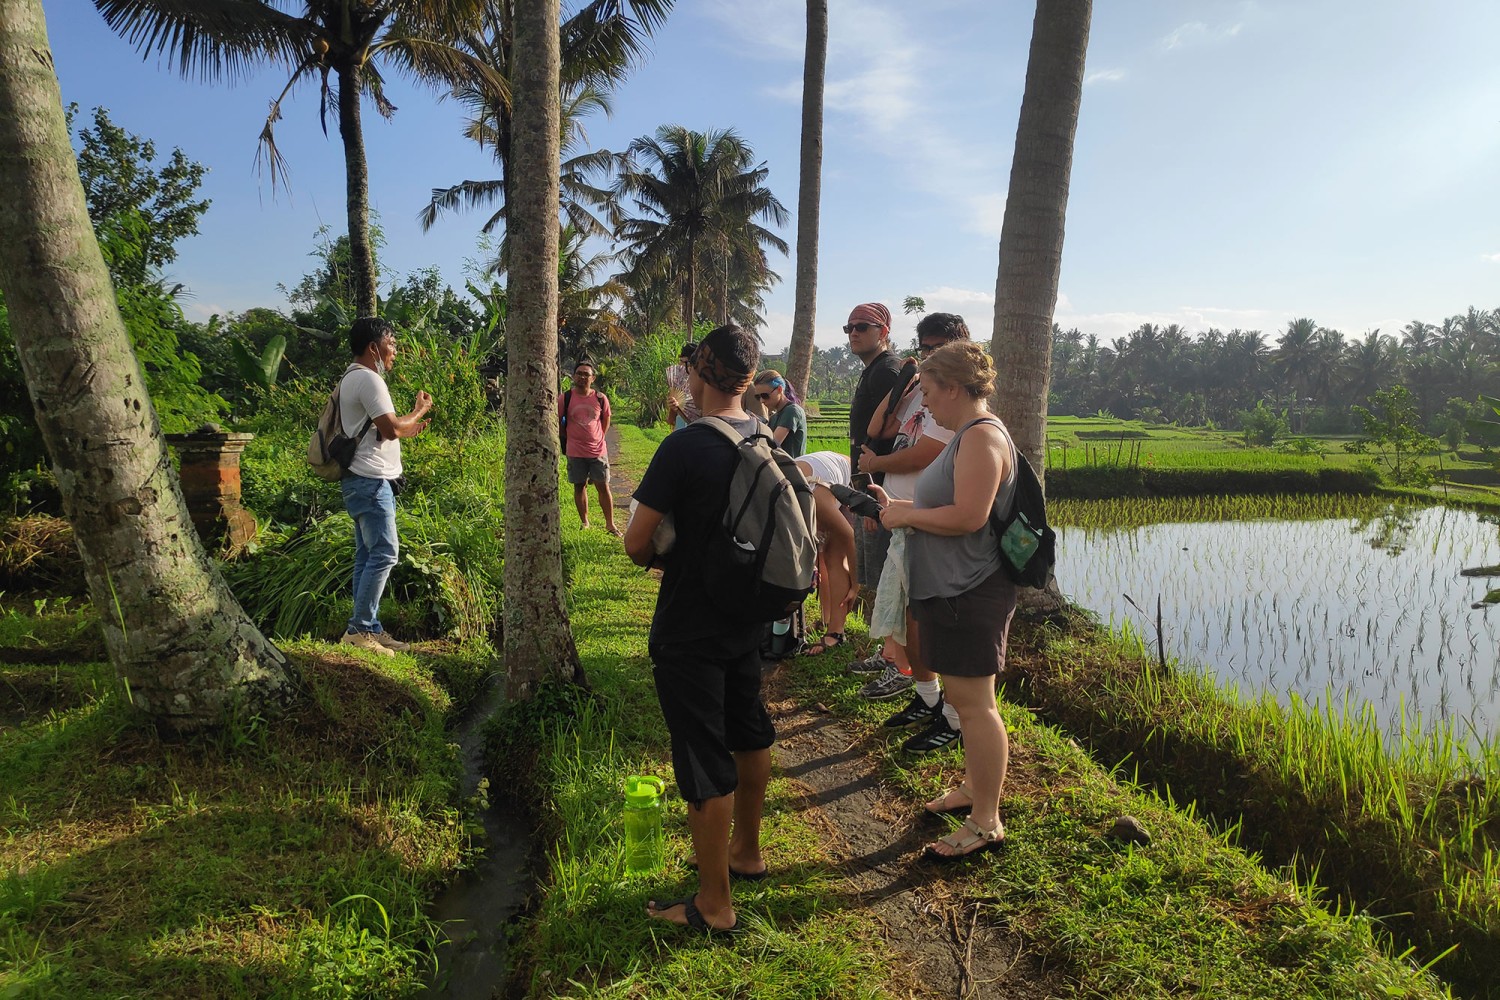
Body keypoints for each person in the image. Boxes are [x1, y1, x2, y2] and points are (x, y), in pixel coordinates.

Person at [624, 324, 774, 934]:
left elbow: (637, 544)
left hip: (690, 624)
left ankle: (714, 904)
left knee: (703, 755)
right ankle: (748, 852)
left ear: (698, 373)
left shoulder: (685, 447)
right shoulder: (763, 434)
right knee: (749, 728)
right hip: (749, 616)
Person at [872, 340, 1016, 860]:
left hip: (971, 590)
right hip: (954, 588)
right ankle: (976, 791)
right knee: (965, 701)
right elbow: (950, 504)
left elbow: (969, 517)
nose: (925, 403)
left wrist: (909, 516)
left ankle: (986, 821)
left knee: (976, 708)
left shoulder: (980, 438)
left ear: (954, 388)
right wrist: (903, 505)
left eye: (929, 392)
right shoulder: (966, 437)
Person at [855, 314, 971, 743]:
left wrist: (876, 464)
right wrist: (902, 381)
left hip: (930, 523)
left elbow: (926, 453)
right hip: (904, 514)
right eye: (922, 348)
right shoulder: (920, 391)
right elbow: (876, 430)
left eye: (935, 347)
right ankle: (927, 696)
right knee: (908, 613)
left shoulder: (955, 401)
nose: (926, 356)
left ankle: (955, 720)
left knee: (932, 621)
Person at [338, 317, 433, 657]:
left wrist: (409, 425)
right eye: (391, 344)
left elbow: (382, 430)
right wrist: (419, 410)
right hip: (371, 480)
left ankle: (369, 627)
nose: (395, 351)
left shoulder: (351, 377)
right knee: (384, 553)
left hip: (360, 480)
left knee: (367, 555)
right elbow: (391, 428)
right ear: (373, 347)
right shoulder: (369, 379)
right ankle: (360, 629)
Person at [841, 302, 909, 691]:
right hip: (865, 484)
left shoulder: (888, 371)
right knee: (878, 578)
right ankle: (886, 655)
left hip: (878, 488)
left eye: (862, 327)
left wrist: (873, 500)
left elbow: (887, 437)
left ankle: (899, 666)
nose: (853, 333)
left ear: (883, 332)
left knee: (888, 576)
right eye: (848, 327)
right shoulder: (874, 371)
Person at [793, 451, 858, 654]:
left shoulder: (819, 503)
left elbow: (850, 538)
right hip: (818, 474)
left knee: (832, 555)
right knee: (819, 556)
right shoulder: (778, 501)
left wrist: (856, 584)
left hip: (849, 480)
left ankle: (836, 633)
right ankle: (825, 619)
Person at [560, 359, 618, 534]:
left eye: (586, 374)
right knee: (579, 486)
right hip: (575, 451)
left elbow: (606, 419)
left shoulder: (600, 398)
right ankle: (585, 522)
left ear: (593, 378)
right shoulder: (566, 397)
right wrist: (568, 438)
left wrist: (599, 437)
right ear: (573, 376)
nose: (582, 377)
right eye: (579, 373)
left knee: (603, 486)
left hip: (598, 450)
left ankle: (610, 524)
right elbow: (560, 422)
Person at [753, 369, 807, 457]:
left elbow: (771, 445)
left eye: (765, 396)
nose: (762, 401)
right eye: (758, 397)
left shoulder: (792, 411)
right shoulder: (774, 416)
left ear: (779, 389)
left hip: (790, 469)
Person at [665, 341, 700, 429]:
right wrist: (674, 407)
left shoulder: (702, 387)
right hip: (680, 430)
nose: (679, 365)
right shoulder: (678, 386)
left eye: (682, 362)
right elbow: (670, 420)